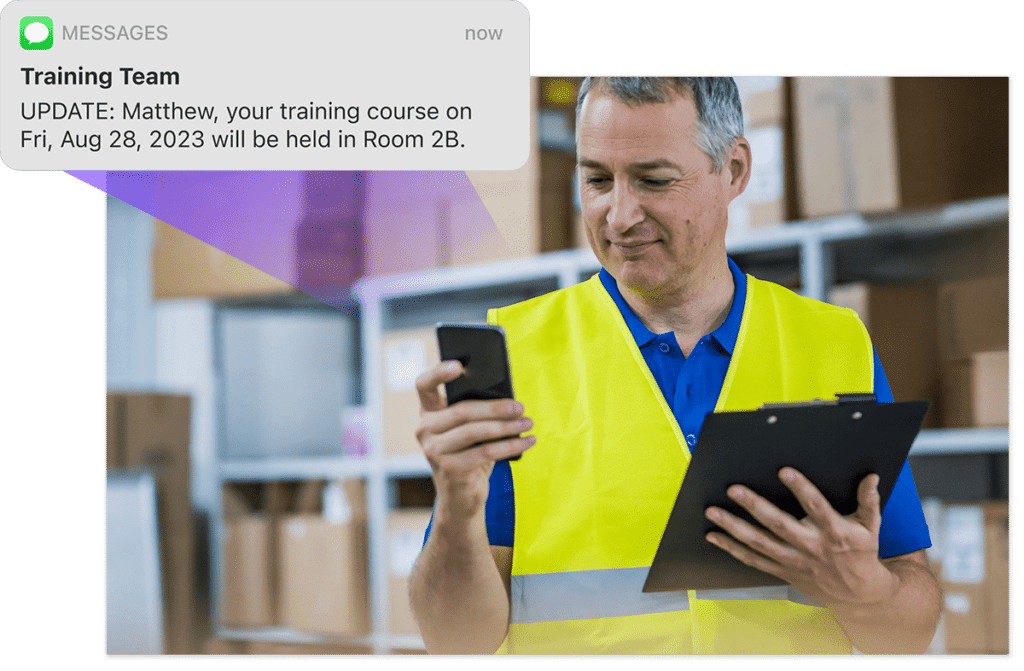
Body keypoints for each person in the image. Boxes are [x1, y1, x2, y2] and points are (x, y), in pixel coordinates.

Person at [409, 76, 941, 656]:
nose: (618, 215)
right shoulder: (519, 355)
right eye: (596, 180)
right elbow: (454, 641)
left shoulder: (835, 344)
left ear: (734, 170)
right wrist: (457, 510)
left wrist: (865, 593)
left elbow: (909, 630)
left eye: (653, 180)